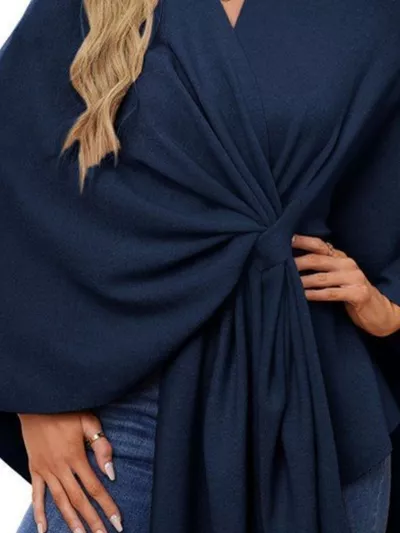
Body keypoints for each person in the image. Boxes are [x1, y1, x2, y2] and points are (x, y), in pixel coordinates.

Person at [1, 0, 400, 532]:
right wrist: (32, 398)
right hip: (127, 413)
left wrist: (387, 307)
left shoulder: (371, 14)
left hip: (318, 407)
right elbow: (14, 181)